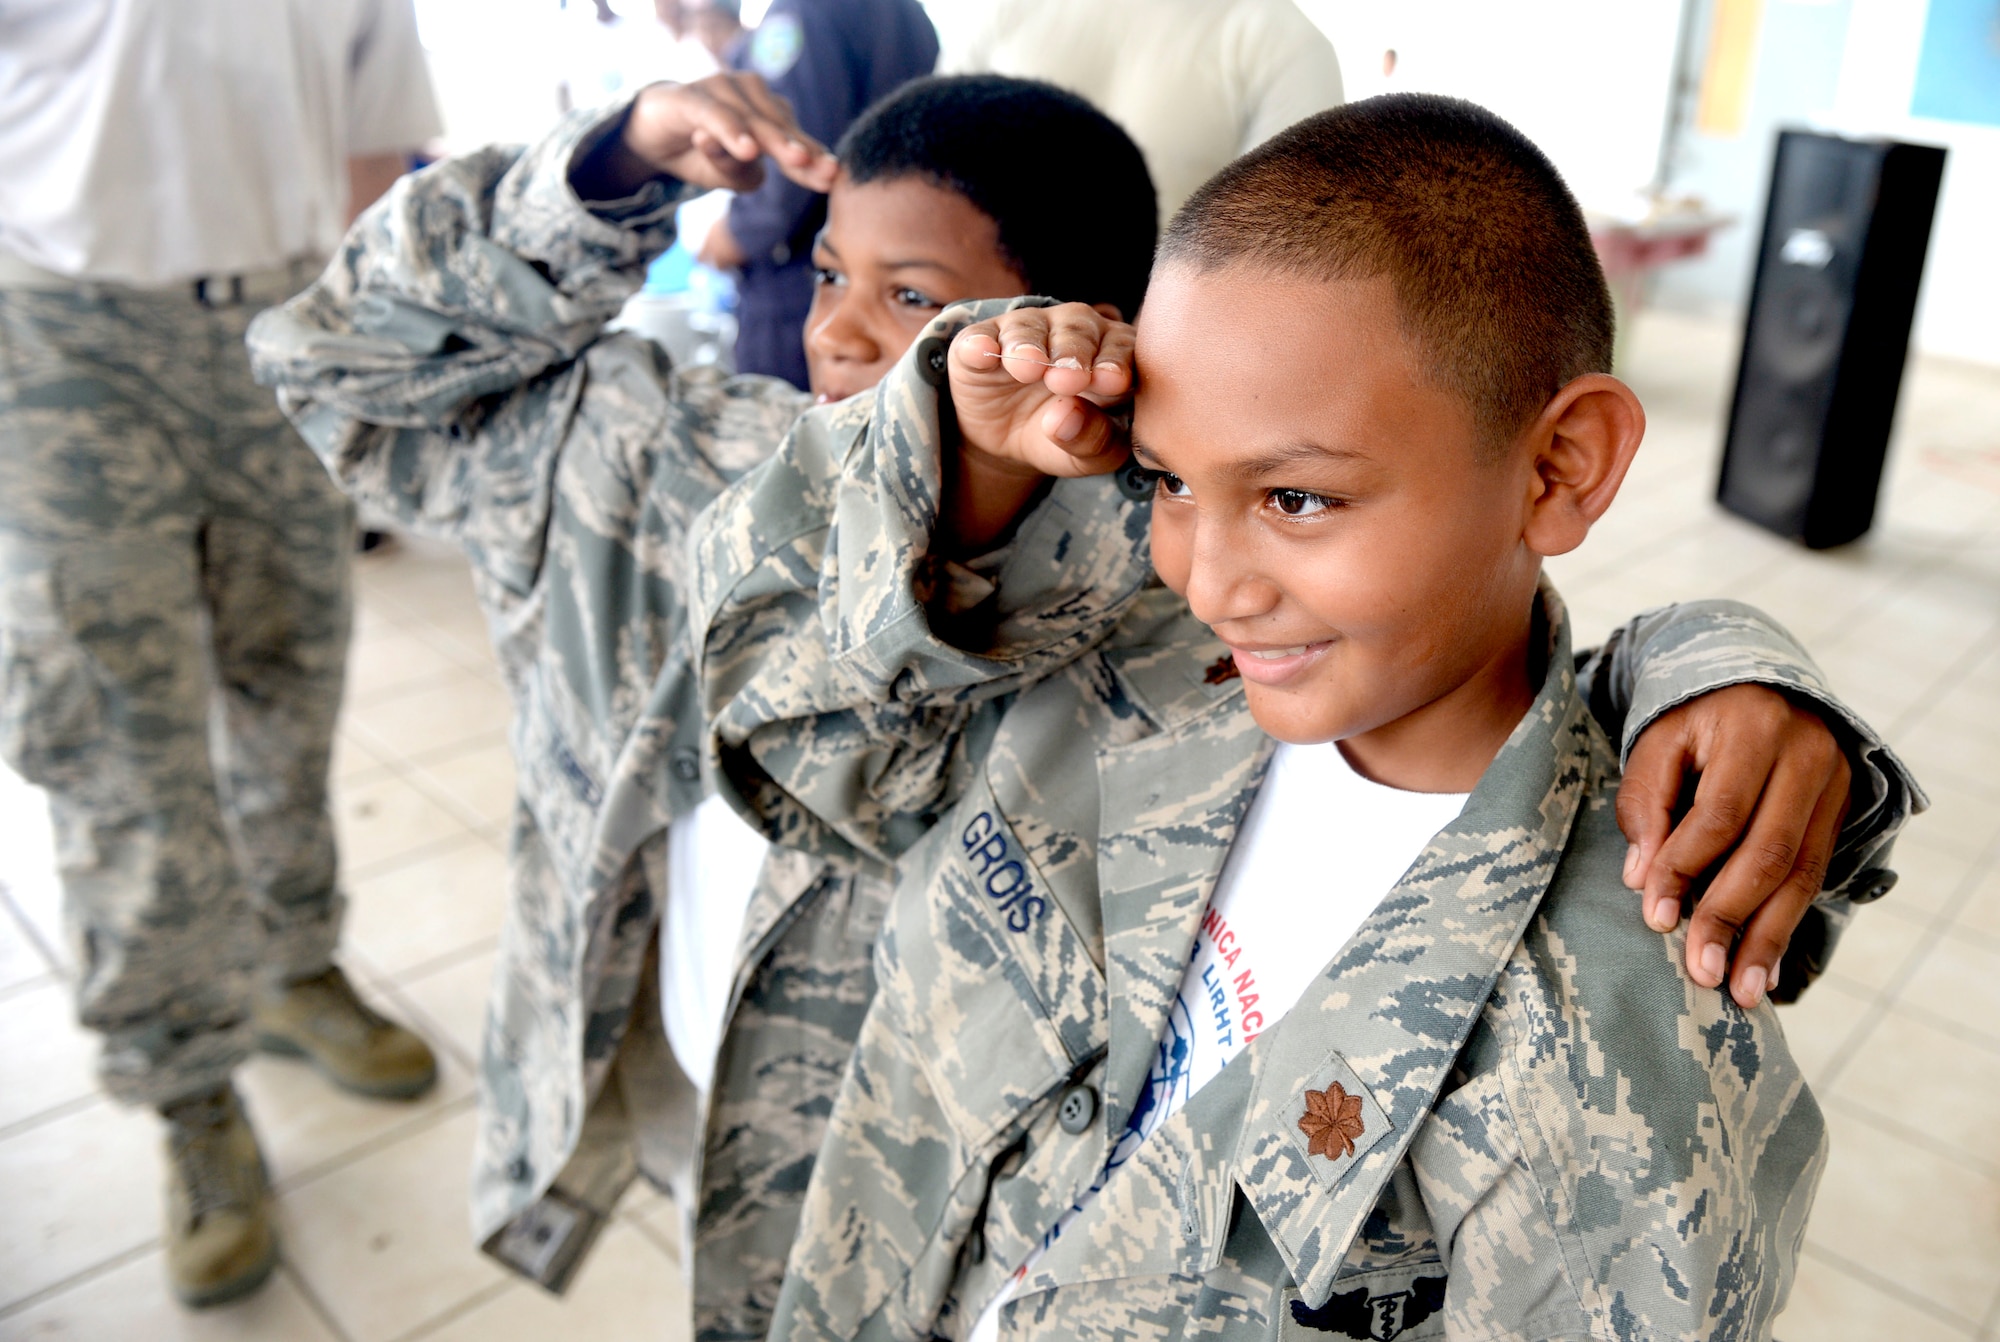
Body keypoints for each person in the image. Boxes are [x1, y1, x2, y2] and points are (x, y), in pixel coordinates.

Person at [690, 95, 1923, 1339]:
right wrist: (953, 466)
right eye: (1167, 479)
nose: (1209, 579)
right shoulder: (1119, 675)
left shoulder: (1614, 1060)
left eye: (1295, 497)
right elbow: (798, 756)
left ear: (1559, 466)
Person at [249, 71, 1156, 1338]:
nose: (837, 332)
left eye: (913, 300)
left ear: (1073, 336)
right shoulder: (679, 462)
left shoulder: (1146, 615)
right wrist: (607, 168)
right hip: (686, 1075)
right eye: (830, 273)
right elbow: (331, 360)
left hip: (923, 1220)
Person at [0, 0, 443, 1310]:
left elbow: (375, 145)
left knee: (292, 682)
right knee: (116, 728)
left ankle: (296, 967)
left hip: (287, 320)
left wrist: (358, 338)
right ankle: (189, 1089)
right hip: (62, 332)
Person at [700, 0, 938, 387]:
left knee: (793, 431)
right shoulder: (905, 11)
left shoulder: (799, 13)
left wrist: (736, 233)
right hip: (881, 280)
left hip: (798, 286)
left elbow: (796, 154)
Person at [940, 0, 1345, 216]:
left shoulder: (1284, 42)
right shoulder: (999, 9)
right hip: (975, 331)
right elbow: (929, 165)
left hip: (1154, 350)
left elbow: (1287, 238)